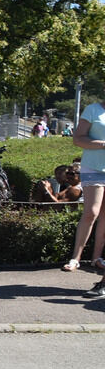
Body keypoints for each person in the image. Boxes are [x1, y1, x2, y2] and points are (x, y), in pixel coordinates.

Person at [63, 102, 105, 282]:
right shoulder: (93, 110)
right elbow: (78, 138)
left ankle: (97, 258)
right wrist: (103, 144)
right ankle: (76, 258)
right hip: (94, 167)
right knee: (91, 212)